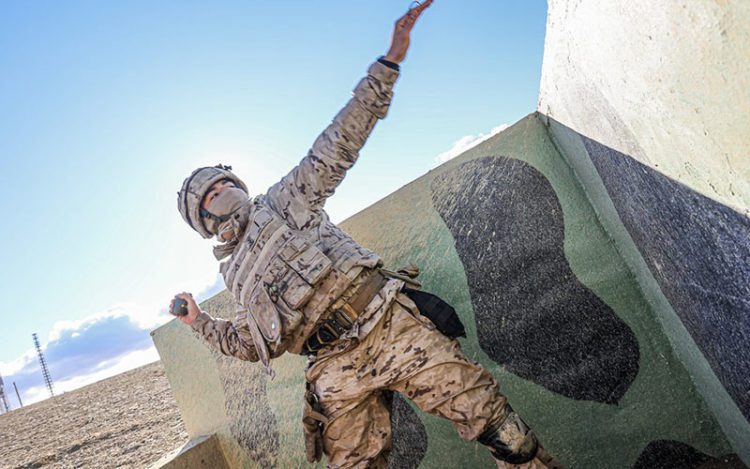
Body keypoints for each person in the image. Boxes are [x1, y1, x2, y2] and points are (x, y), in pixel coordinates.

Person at [172, 2, 562, 468]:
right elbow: (252, 346)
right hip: (332, 369)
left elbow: (338, 143)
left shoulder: (282, 201)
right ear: (203, 222)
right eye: (208, 195)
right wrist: (198, 323)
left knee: (503, 431)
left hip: (386, 323)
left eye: (223, 183)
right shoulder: (237, 278)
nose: (220, 192)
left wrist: (390, 60)